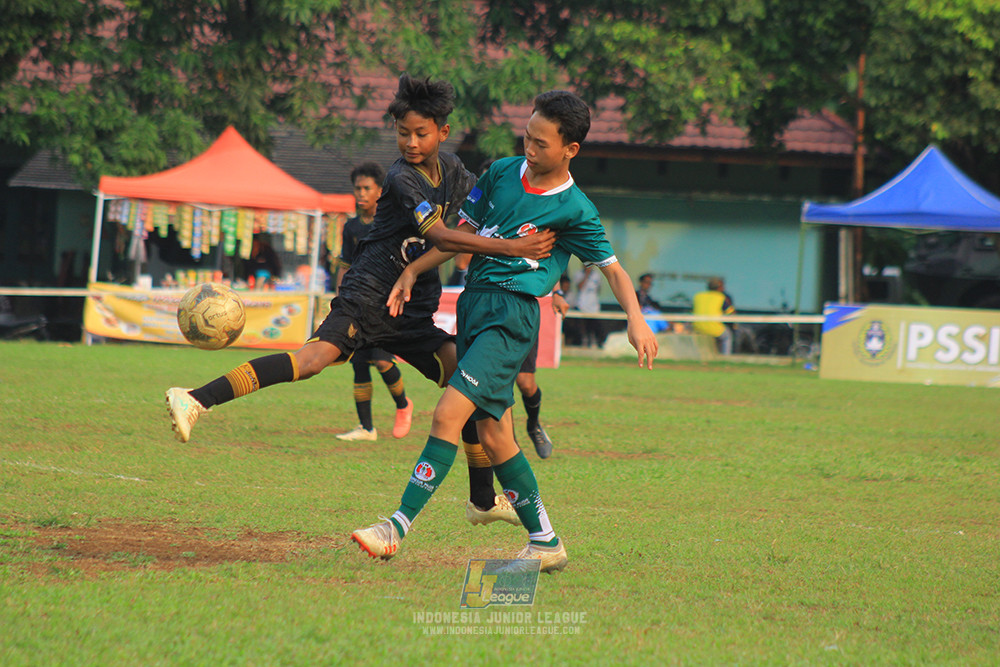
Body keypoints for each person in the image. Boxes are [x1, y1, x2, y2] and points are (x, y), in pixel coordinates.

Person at [164, 69, 556, 532]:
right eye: (402, 132)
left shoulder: (454, 171)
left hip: (413, 310)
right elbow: (445, 237)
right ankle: (194, 398)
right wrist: (514, 248)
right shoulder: (401, 178)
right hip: (370, 294)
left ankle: (482, 499)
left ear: (442, 133)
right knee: (311, 360)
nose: (409, 142)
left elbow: (490, 205)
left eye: (420, 133)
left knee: (463, 381)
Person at [350, 89, 658, 574]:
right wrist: (413, 271)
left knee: (448, 414)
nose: (529, 148)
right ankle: (546, 541)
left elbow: (613, 269)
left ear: (570, 149)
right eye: (527, 136)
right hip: (474, 306)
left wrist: (635, 318)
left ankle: (395, 527)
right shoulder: (498, 173)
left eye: (541, 143)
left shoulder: (575, 209)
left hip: (511, 316)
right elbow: (458, 236)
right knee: (495, 437)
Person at [333, 162, 413, 441]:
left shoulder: (391, 222)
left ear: (380, 191)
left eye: (367, 188)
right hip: (357, 300)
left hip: (386, 302)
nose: (361, 193)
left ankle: (403, 405)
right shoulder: (352, 227)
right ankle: (366, 428)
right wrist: (340, 296)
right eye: (358, 188)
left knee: (381, 360)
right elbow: (345, 264)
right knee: (358, 361)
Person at [693, 277, 736, 354]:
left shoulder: (698, 296)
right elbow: (731, 313)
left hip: (697, 327)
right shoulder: (721, 297)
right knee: (727, 336)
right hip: (714, 328)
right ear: (719, 288)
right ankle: (725, 357)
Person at [572, 264, 605, 347]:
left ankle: (594, 340)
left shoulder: (596, 275)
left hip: (593, 303)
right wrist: (586, 275)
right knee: (582, 324)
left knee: (594, 323)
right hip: (582, 302)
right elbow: (579, 287)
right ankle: (584, 340)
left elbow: (598, 289)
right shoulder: (578, 274)